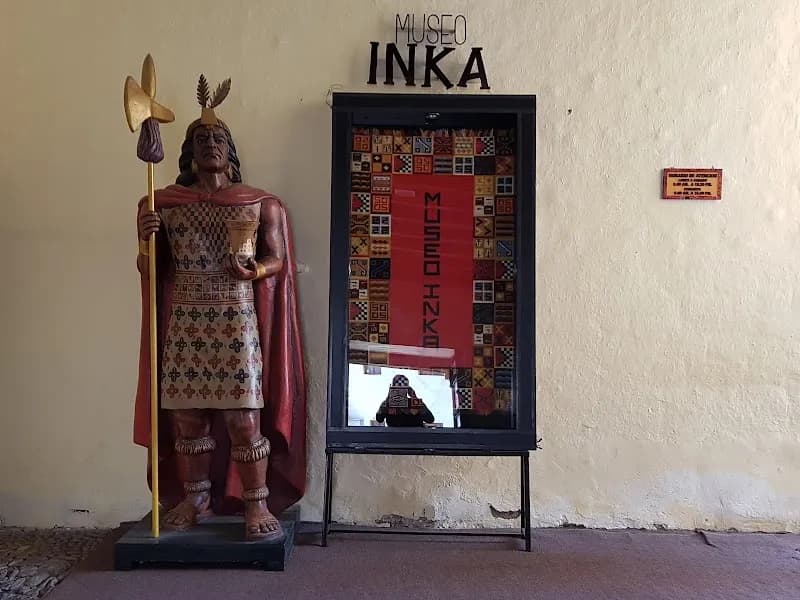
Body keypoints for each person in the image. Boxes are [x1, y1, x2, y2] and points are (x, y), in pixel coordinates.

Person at [134, 75, 306, 541]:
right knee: (188, 420)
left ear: (230, 151)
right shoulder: (161, 203)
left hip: (236, 318)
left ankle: (256, 505)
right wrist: (146, 241)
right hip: (187, 318)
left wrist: (254, 272)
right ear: (188, 152)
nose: (210, 144)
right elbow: (153, 269)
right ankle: (196, 499)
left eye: (218, 138)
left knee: (244, 419)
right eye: (201, 138)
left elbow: (278, 260)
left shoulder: (258, 203)